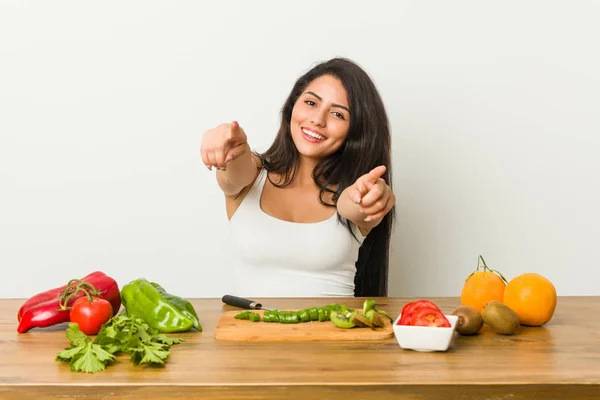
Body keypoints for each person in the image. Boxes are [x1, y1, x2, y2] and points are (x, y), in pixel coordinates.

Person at [200, 57, 396, 298]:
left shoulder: (352, 192)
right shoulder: (252, 177)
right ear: (293, 105)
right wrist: (230, 145)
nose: (317, 119)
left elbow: (353, 204)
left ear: (356, 131)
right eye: (311, 102)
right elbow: (235, 168)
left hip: (333, 336)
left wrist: (372, 195)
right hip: (248, 334)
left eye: (337, 114)